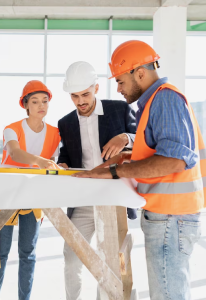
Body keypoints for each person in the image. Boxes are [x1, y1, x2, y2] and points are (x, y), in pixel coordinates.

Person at [74, 41, 206, 300]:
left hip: (171, 217)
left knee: (168, 294)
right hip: (167, 216)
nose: (117, 89)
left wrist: (117, 171)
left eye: (120, 81)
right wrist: (128, 155)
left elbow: (175, 160)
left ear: (139, 72)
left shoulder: (165, 99)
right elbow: (159, 151)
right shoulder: (154, 101)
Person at [56, 61, 138, 300]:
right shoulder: (65, 122)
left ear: (96, 88)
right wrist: (62, 163)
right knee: (72, 257)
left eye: (85, 94)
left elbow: (142, 140)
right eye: (74, 96)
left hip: (113, 196)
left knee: (113, 260)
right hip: (82, 199)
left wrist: (124, 137)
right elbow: (66, 153)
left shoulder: (119, 109)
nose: (80, 101)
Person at [0, 80, 61, 300]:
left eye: (45, 101)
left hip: (34, 195)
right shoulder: (12, 129)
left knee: (28, 253)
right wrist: (40, 161)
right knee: (1, 250)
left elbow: (61, 160)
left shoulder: (56, 133)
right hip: (6, 194)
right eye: (35, 101)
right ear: (25, 105)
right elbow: (16, 153)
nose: (41, 105)